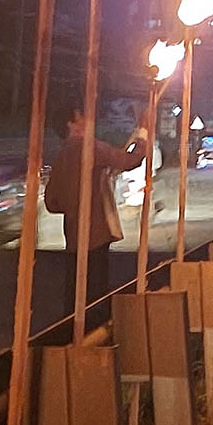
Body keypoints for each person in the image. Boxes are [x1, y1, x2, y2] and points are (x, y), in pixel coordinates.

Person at [43, 108, 141, 332]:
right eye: (82, 118)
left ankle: (73, 336)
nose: (88, 121)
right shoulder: (89, 147)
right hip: (96, 234)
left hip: (74, 235)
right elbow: (129, 160)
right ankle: (93, 338)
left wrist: (74, 205)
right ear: (71, 124)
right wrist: (144, 134)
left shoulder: (62, 156)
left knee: (75, 292)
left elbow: (51, 202)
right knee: (95, 294)